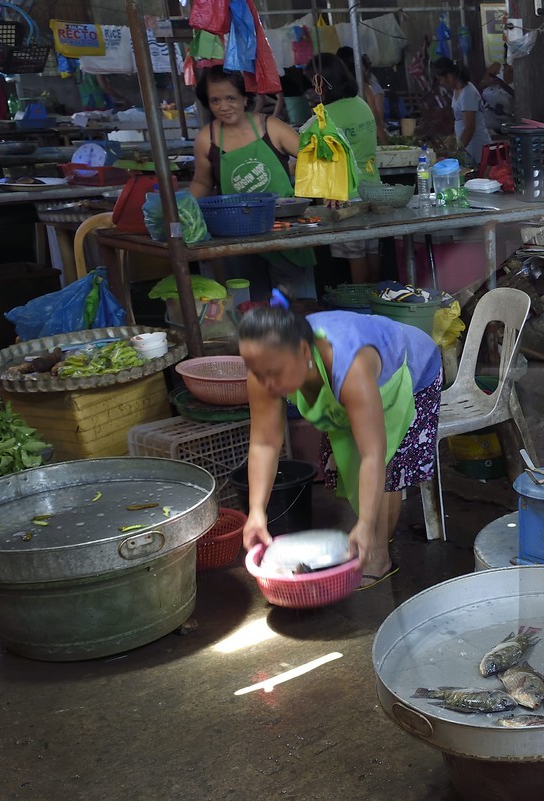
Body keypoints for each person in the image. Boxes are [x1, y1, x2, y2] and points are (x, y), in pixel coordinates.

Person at [239, 295, 443, 587]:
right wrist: (257, 511)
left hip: (411, 368)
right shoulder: (265, 367)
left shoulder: (351, 366)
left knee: (387, 465)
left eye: (274, 374)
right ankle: (369, 537)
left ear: (302, 351)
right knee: (348, 463)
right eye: (259, 374)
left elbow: (373, 454)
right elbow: (264, 444)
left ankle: (378, 556)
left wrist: (363, 525)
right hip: (355, 373)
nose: (267, 384)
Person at [188, 67, 314, 300]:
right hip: (237, 237)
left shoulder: (271, 127)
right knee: (249, 309)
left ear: (246, 97)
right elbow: (202, 183)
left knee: (298, 308)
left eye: (230, 98)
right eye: (215, 100)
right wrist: (181, 209)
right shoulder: (207, 138)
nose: (224, 106)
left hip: (285, 232)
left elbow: (314, 159)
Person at [306, 53, 381, 284]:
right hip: (373, 188)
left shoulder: (325, 116)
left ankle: (362, 306)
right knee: (371, 249)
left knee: (354, 254)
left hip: (347, 194)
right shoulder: (361, 104)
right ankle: (378, 301)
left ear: (320, 83)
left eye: (311, 83)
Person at [430, 57, 490, 164]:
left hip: (474, 146)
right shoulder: (457, 90)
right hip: (466, 146)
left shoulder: (467, 93)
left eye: (440, 79)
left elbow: (470, 128)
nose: (440, 82)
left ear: (449, 76)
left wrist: (457, 151)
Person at [478, 62, 514, 139]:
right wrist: (490, 82)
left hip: (507, 117)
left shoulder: (521, 73)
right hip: (490, 114)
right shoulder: (497, 67)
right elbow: (481, 85)